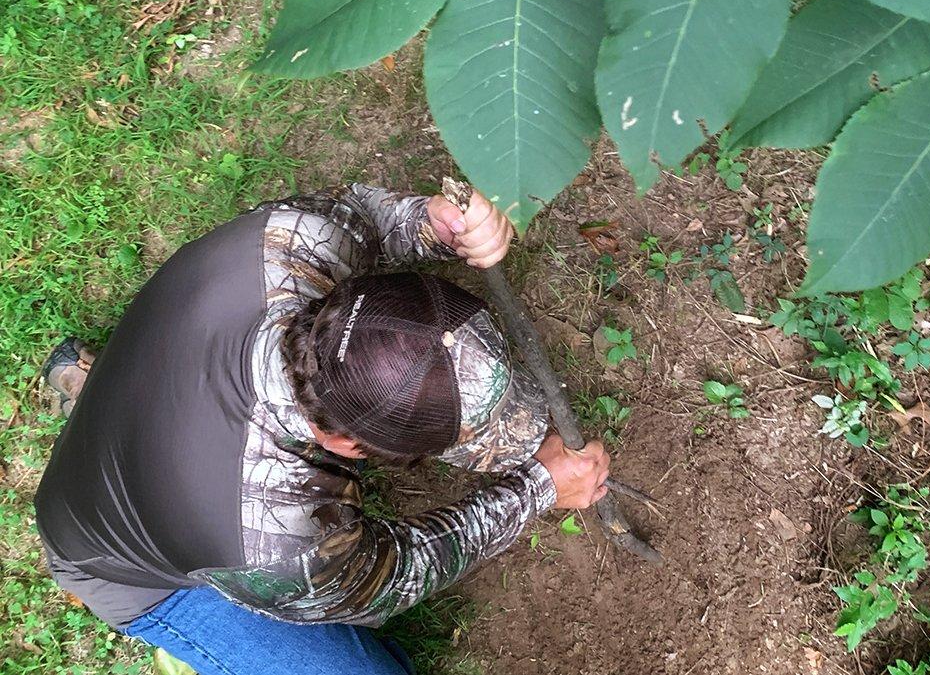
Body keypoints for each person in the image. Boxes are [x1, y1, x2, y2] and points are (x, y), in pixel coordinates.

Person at [34, 184, 612, 675]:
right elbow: (394, 573)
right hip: (128, 566)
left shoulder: (296, 241)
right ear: (344, 445)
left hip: (155, 380)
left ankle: (97, 394)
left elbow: (370, 219)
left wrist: (434, 225)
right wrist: (535, 488)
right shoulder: (280, 544)